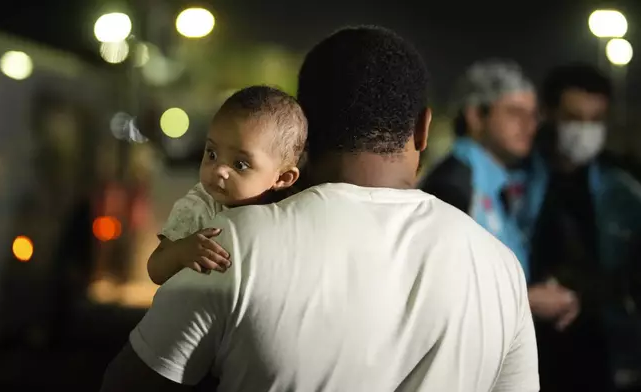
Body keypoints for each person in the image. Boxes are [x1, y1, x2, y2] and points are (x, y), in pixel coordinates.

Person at [101, 26, 539, 391]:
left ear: (301, 127)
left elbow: (128, 383)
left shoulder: (229, 244)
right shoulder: (500, 267)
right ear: (423, 129)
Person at [420, 60, 580, 332]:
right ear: (475, 116)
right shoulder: (453, 184)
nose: (529, 125)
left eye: (533, 115)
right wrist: (526, 300)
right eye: (515, 113)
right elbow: (440, 289)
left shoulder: (506, 181)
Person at [524, 63, 641, 392]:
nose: (585, 130)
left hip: (606, 354)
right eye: (575, 118)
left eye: (595, 120)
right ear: (548, 114)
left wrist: (583, 293)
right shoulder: (519, 181)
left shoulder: (622, 190)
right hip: (533, 352)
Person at [147, 85, 307, 285]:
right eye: (212, 153)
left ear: (283, 178)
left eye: (240, 164)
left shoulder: (290, 210)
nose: (219, 170)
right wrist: (181, 252)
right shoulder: (199, 207)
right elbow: (155, 269)